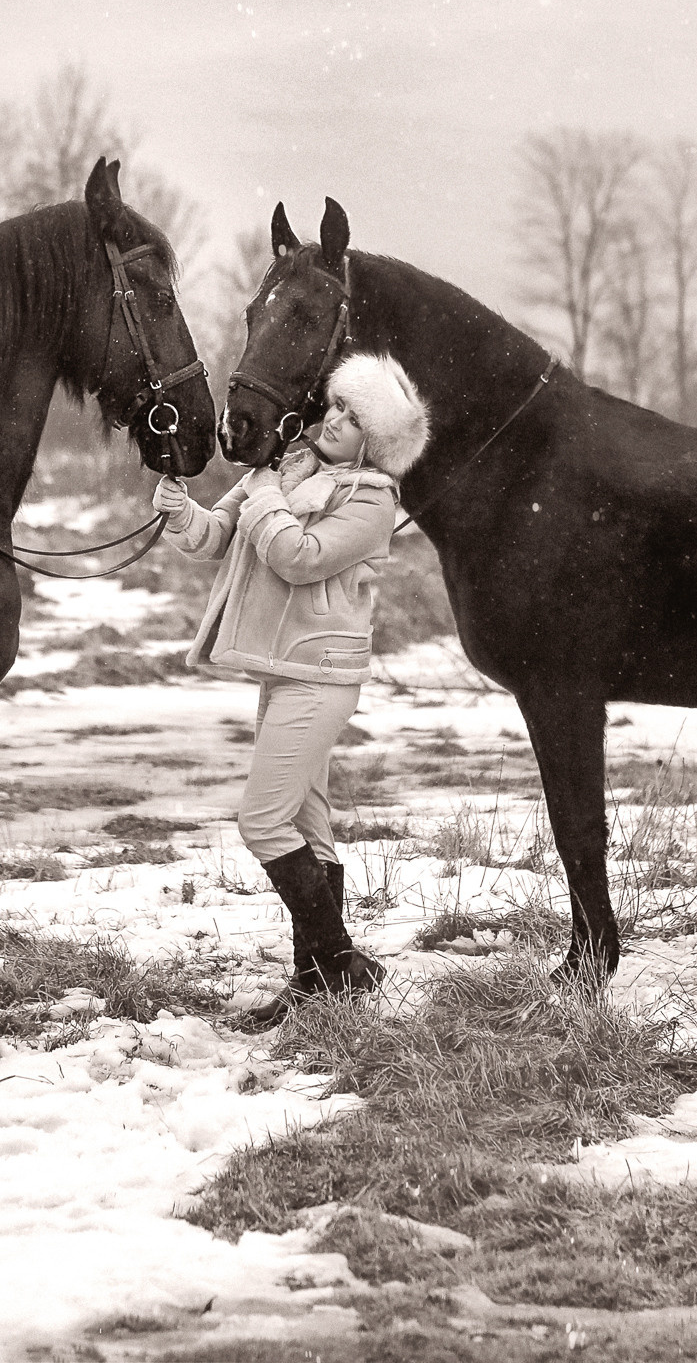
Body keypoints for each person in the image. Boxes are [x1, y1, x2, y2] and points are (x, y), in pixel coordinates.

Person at [152, 353, 430, 1028]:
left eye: (353, 417)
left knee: (262, 821)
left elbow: (300, 558)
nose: (334, 420)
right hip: (287, 671)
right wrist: (181, 512)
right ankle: (316, 982)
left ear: (377, 438)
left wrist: (266, 493)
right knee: (308, 824)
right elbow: (219, 537)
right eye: (335, 406)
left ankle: (339, 960)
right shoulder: (293, 465)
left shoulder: (372, 496)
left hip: (323, 674)